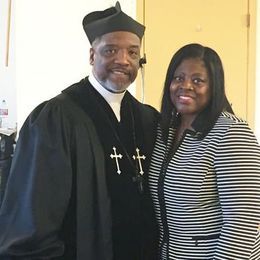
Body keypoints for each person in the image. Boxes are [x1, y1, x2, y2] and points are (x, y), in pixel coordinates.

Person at [0, 2, 159, 259]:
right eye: (110, 50)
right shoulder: (57, 118)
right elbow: (34, 216)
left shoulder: (147, 119)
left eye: (132, 52)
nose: (123, 60)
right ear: (92, 55)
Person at [148, 43, 260, 259]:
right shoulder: (166, 131)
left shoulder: (231, 133)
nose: (186, 86)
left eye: (197, 80)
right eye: (178, 78)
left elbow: (243, 222)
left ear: (214, 87)